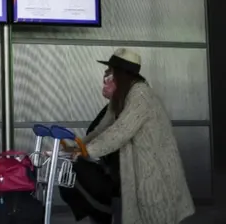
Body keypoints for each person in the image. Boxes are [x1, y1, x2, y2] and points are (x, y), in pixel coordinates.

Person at [77, 48, 195, 224]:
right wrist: (78, 146)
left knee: (155, 215)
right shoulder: (121, 96)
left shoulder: (140, 94)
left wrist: (87, 150)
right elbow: (103, 128)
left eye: (111, 71)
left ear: (121, 74)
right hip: (138, 172)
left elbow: (120, 132)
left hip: (155, 173)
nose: (108, 76)